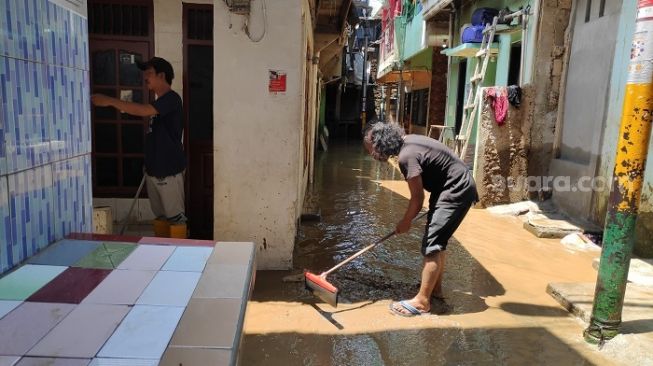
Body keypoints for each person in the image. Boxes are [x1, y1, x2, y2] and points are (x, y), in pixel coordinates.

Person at [363, 122, 478, 316]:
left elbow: (417, 199)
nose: (371, 154)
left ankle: (422, 301)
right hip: (452, 188)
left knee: (431, 245)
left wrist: (405, 221)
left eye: (371, 149)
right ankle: (435, 290)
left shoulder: (406, 157)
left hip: (454, 191)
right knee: (438, 242)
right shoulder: (410, 141)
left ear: (381, 144)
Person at [91, 57, 187, 238]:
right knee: (161, 218)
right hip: (153, 170)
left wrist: (110, 101)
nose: (145, 77)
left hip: (169, 170)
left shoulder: (172, 99)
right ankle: (163, 255)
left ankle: (179, 260)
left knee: (176, 220)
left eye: (149, 73)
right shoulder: (158, 104)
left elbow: (142, 110)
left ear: (162, 75)